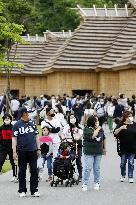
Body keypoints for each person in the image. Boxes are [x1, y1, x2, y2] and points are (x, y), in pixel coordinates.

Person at [12, 107, 41, 198]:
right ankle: (22, 190)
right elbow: (14, 139)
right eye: (28, 112)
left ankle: (34, 190)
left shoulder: (32, 123)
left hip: (33, 150)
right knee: (22, 171)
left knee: (34, 170)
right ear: (24, 113)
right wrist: (14, 152)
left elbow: (36, 136)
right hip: (22, 151)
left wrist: (38, 148)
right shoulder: (17, 125)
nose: (29, 114)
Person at [82, 116, 106, 191]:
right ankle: (85, 184)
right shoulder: (86, 129)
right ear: (92, 122)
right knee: (88, 168)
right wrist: (98, 128)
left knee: (96, 168)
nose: (97, 122)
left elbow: (104, 138)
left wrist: (105, 148)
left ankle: (97, 183)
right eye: (96, 121)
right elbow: (93, 136)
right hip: (89, 152)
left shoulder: (100, 129)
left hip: (98, 151)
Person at [114, 110, 136, 183]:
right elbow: (115, 133)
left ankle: (130, 176)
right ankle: (123, 175)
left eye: (131, 116)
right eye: (129, 116)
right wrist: (121, 128)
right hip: (123, 147)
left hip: (132, 147)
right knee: (123, 163)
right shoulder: (121, 124)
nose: (131, 117)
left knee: (131, 162)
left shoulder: (135, 124)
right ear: (125, 117)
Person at [62, 113, 83, 180]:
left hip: (77, 145)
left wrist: (78, 137)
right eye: (71, 118)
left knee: (78, 161)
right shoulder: (66, 126)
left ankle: (80, 175)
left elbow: (81, 135)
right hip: (68, 146)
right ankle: (69, 173)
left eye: (73, 118)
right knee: (69, 159)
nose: (72, 119)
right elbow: (63, 134)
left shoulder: (79, 126)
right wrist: (63, 138)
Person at [0, 113, 17, 182]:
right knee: (0, 161)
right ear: (3, 119)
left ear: (10, 119)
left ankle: (15, 176)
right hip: (3, 147)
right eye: (5, 118)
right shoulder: (1, 128)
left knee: (13, 162)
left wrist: (15, 148)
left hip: (11, 147)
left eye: (8, 118)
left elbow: (16, 138)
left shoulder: (13, 127)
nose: (7, 119)